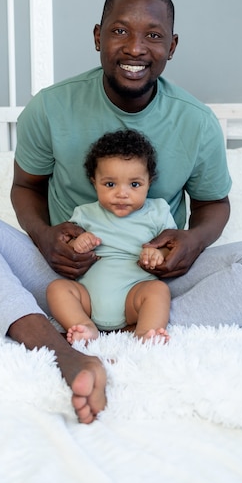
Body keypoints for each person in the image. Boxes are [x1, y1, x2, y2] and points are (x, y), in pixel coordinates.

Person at [0, 0, 242, 425]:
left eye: (153, 36)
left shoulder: (196, 122)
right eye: (120, 31)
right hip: (64, 276)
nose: (135, 48)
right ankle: (60, 349)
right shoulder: (51, 107)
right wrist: (44, 238)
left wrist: (193, 242)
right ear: (97, 36)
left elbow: (215, 204)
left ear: (172, 46)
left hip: (150, 280)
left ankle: (141, 329)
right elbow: (26, 187)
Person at [47, 129, 175, 344]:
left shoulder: (158, 211)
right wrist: (79, 243)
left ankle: (145, 333)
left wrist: (157, 253)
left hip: (133, 297)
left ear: (149, 182)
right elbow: (68, 246)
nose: (121, 193)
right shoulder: (84, 213)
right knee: (57, 289)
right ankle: (84, 326)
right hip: (87, 297)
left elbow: (171, 246)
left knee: (158, 290)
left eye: (134, 184)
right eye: (109, 184)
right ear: (94, 182)